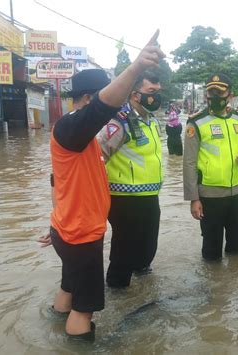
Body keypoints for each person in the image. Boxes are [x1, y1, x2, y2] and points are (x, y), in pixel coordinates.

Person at [37, 31, 165, 341]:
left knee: (69, 287)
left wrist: (56, 220)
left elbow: (57, 181)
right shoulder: (71, 128)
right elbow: (103, 107)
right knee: (85, 308)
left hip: (67, 228)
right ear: (89, 98)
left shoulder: (76, 135)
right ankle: (79, 345)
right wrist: (135, 67)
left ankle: (54, 328)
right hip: (80, 236)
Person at [96, 71, 163, 288]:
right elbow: (97, 157)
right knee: (124, 250)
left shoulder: (151, 121)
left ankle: (143, 290)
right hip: (124, 198)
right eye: (151, 92)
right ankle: (117, 290)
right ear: (135, 94)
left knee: (147, 247)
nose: (156, 97)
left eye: (157, 92)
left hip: (150, 195)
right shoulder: (120, 122)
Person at [183, 73, 238, 261]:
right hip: (209, 195)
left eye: (219, 93)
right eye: (211, 92)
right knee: (211, 248)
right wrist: (193, 198)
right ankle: (212, 284)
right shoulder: (196, 122)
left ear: (230, 95)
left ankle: (234, 282)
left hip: (236, 192)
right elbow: (189, 162)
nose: (214, 97)